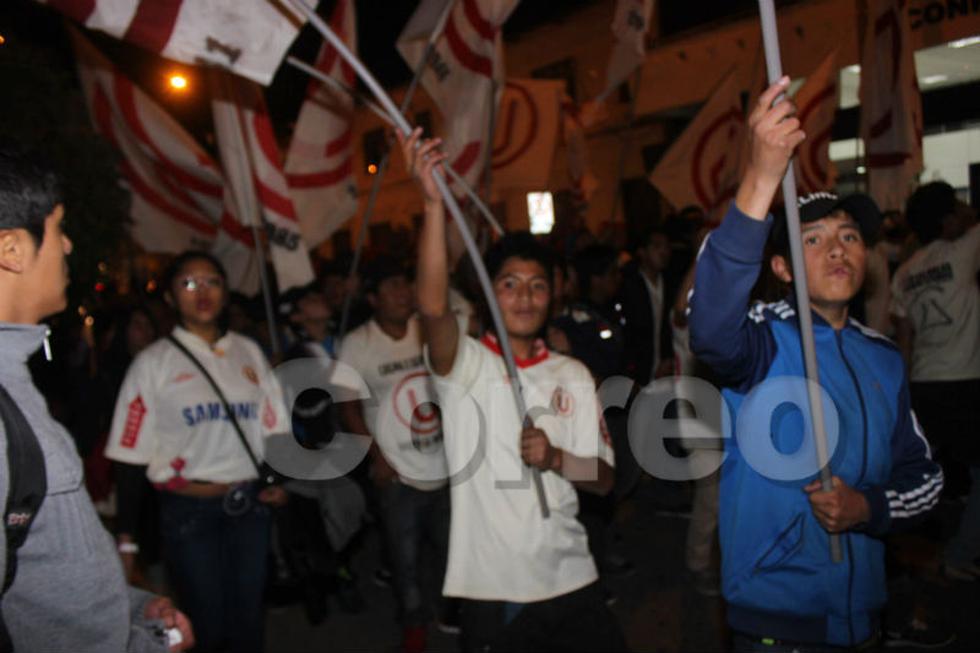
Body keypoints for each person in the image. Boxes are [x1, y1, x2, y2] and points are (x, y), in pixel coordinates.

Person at [688, 78, 943, 651]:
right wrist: (761, 177)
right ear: (779, 267)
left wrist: (868, 507)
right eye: (815, 238)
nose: (838, 249)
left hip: (865, 619)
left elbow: (925, 478)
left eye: (850, 235)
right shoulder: (759, 343)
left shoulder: (883, 358)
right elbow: (707, 323)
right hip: (777, 623)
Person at [402, 128, 626, 653]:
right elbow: (433, 307)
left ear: (554, 295)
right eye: (510, 284)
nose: (525, 296)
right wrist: (433, 206)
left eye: (538, 285)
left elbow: (605, 479)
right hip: (495, 590)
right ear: (488, 293)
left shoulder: (572, 373)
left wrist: (555, 457)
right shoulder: (467, 365)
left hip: (573, 577)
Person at [0, 146, 193, 651]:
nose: (66, 247)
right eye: (58, 228)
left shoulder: (13, 380)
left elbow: (38, 571)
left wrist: (128, 607)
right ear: (11, 250)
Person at [105, 251, 289, 653]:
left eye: (212, 282)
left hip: (249, 507)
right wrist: (127, 539)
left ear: (225, 292)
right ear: (170, 298)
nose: (201, 292)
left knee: (248, 619)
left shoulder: (249, 352)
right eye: (188, 283)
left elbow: (274, 426)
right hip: (189, 513)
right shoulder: (153, 364)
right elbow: (130, 457)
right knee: (203, 623)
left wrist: (277, 478)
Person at [336, 257, 451, 653]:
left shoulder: (426, 329)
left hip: (444, 461)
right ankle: (414, 620)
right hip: (397, 470)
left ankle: (452, 608)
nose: (403, 293)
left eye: (405, 284)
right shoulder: (358, 343)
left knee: (450, 543)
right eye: (391, 288)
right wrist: (376, 456)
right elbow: (348, 406)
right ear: (373, 299)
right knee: (404, 555)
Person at [890, 181, 979, 578]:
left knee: (915, 477)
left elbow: (904, 342)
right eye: (955, 208)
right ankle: (959, 555)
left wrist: (904, 396)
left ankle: (897, 562)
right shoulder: (963, 250)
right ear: (946, 220)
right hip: (963, 381)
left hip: (923, 384)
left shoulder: (904, 272)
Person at [619, 225, 673, 387]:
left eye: (666, 246)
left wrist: (668, 357)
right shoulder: (628, 287)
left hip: (667, 372)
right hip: (638, 376)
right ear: (642, 252)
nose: (663, 252)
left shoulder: (671, 284)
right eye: (657, 246)